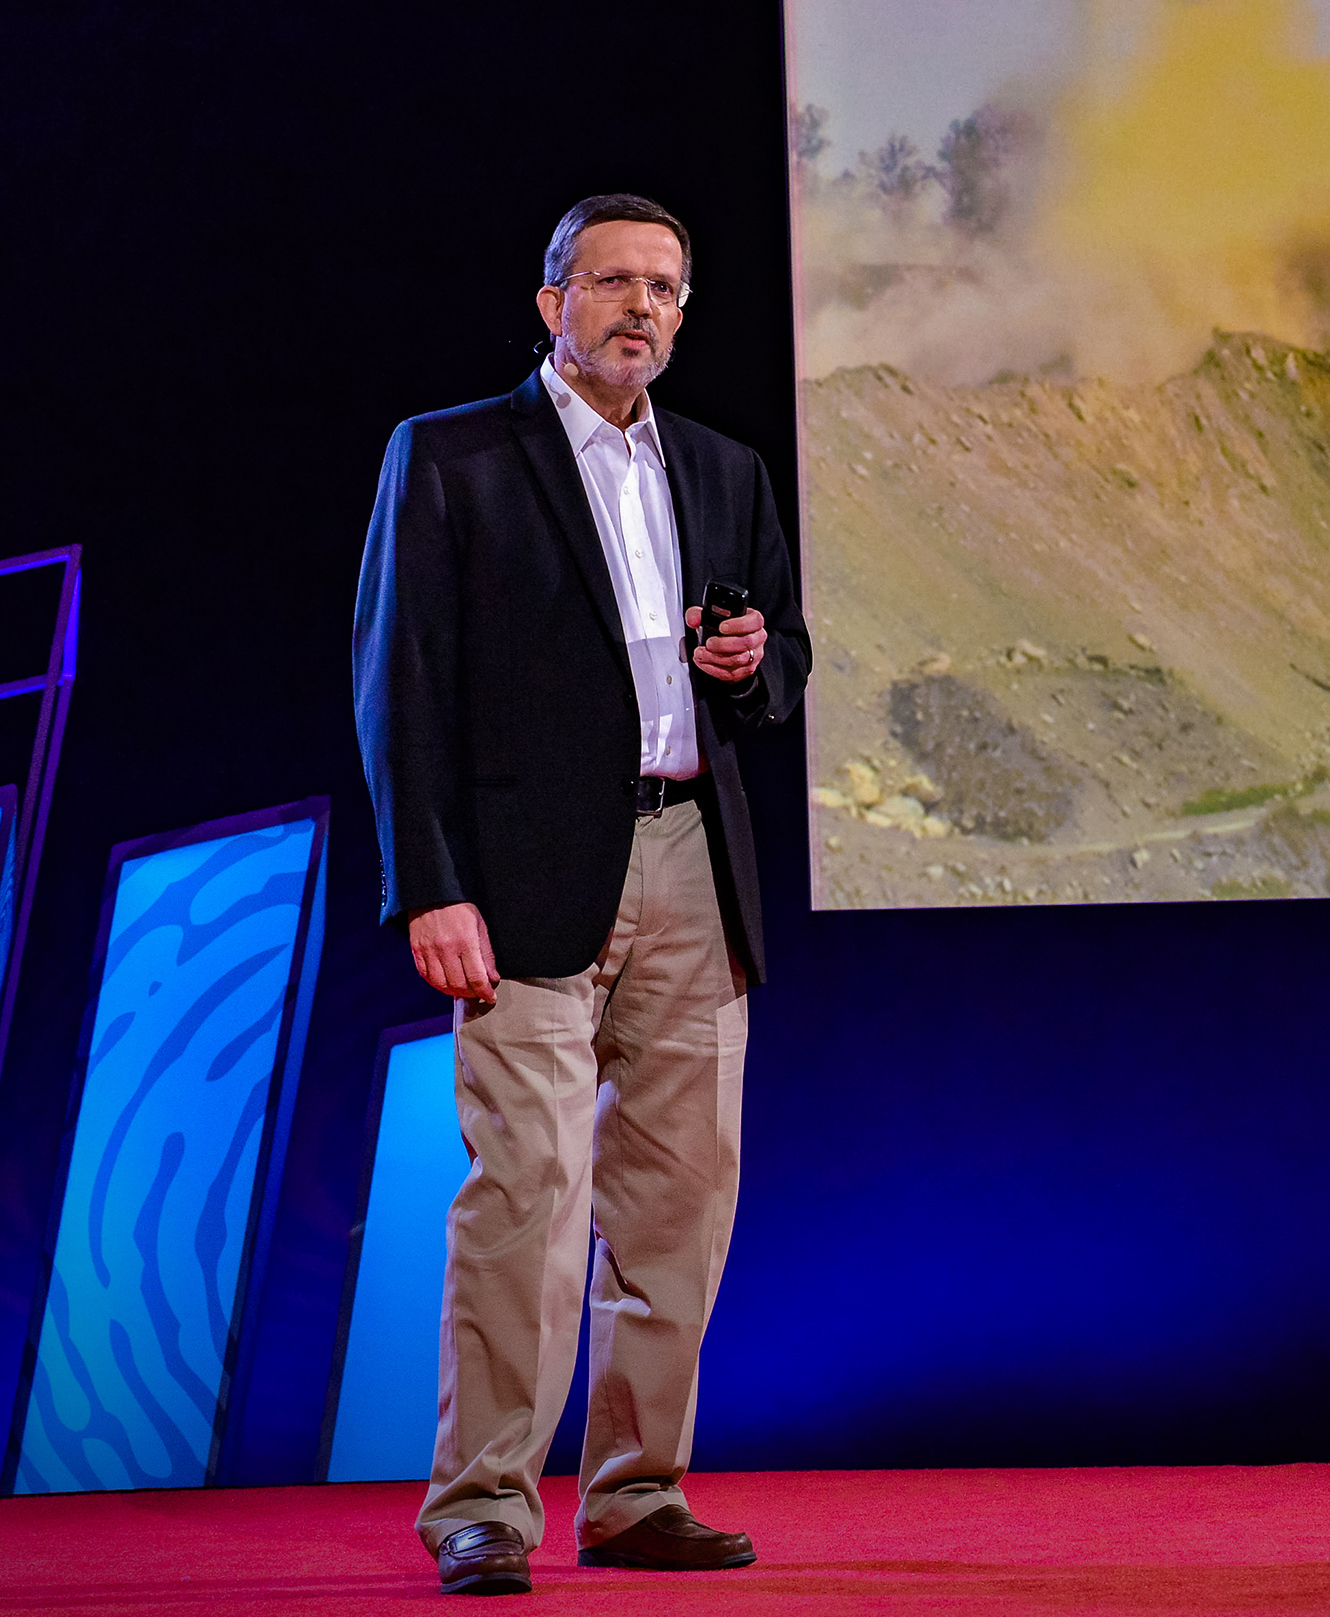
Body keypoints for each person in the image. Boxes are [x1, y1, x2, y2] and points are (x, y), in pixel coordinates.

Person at [353, 193, 811, 1596]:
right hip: (522, 880)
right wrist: (431, 885)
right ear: (552, 302)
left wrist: (753, 662)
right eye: (612, 282)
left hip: (692, 863)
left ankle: (636, 1492)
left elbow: (785, 661)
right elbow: (399, 682)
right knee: (528, 1198)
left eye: (664, 288)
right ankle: (483, 1505)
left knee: (678, 1205)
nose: (640, 308)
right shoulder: (454, 454)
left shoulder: (723, 466)